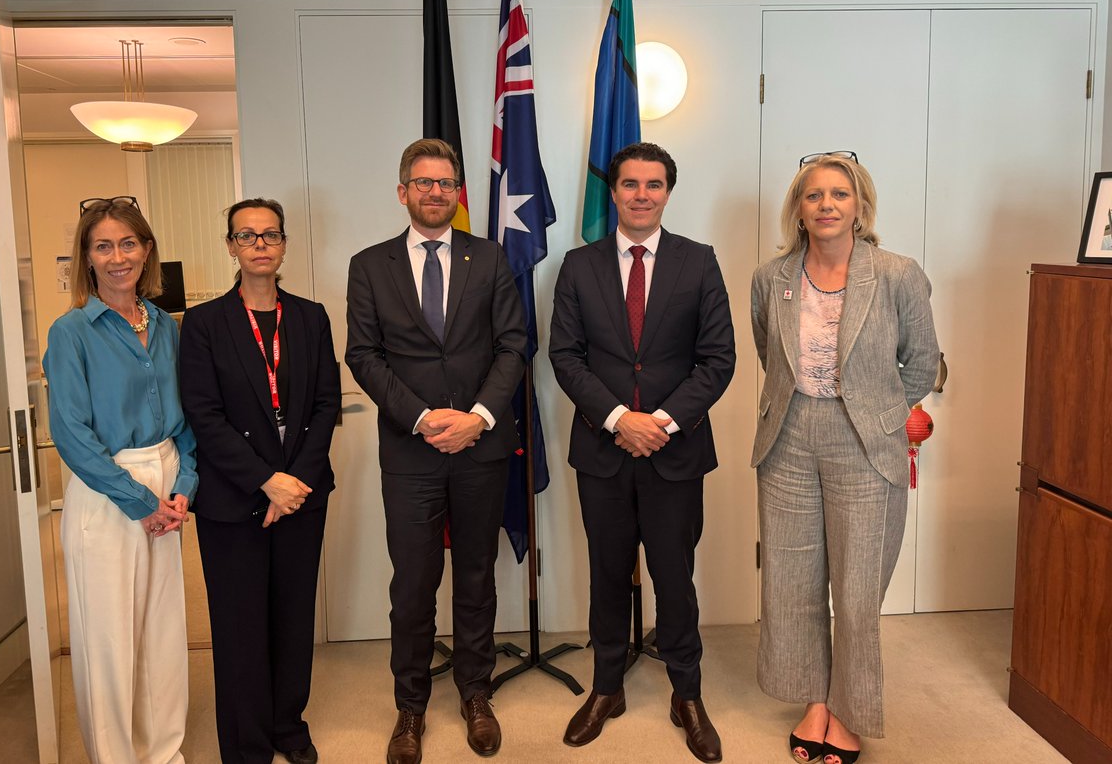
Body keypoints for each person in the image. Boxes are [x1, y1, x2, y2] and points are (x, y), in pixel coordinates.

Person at [549, 142, 735, 763]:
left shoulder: (700, 262)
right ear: (615, 191)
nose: (641, 194)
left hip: (673, 452)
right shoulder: (577, 266)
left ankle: (687, 694)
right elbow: (565, 357)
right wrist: (616, 419)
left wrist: (658, 422)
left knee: (674, 580)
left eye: (654, 185)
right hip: (602, 452)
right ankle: (607, 688)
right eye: (630, 184)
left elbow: (718, 360)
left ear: (668, 192)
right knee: (607, 575)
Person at [750, 152, 939, 764]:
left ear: (860, 206)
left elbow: (924, 361)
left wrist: (882, 412)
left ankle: (850, 713)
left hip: (865, 442)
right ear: (798, 210)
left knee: (857, 591)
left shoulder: (896, 274)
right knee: (793, 583)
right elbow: (769, 352)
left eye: (839, 194)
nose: (826, 204)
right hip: (788, 438)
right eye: (813, 195)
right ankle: (813, 701)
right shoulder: (770, 277)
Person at [345, 138, 526, 764]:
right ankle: (411, 706)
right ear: (403, 192)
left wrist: (477, 417)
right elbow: (362, 356)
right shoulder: (370, 265)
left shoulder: (492, 259)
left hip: (481, 447)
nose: (434, 192)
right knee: (414, 585)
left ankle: (477, 692)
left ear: (459, 193)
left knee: (476, 578)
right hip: (411, 450)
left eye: (446, 183)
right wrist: (422, 418)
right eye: (422, 182)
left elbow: (513, 346)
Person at [179, 198, 340, 764]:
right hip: (232, 500)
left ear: (284, 244)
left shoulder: (311, 316)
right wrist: (264, 481)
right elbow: (204, 414)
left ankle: (288, 727)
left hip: (301, 495)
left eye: (270, 234)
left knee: (293, 620)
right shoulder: (202, 323)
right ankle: (247, 745)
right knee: (241, 626)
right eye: (247, 236)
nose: (260, 245)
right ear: (230, 246)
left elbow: (326, 406)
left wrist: (293, 481)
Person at [43, 196, 196, 764]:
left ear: (146, 250)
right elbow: (72, 434)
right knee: (108, 639)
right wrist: (141, 500)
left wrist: (186, 487)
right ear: (86, 257)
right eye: (102, 246)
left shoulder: (164, 325)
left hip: (166, 478)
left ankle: (164, 752)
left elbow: (185, 417)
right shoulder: (72, 332)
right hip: (108, 490)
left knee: (161, 633)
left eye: (128, 243)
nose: (117, 257)